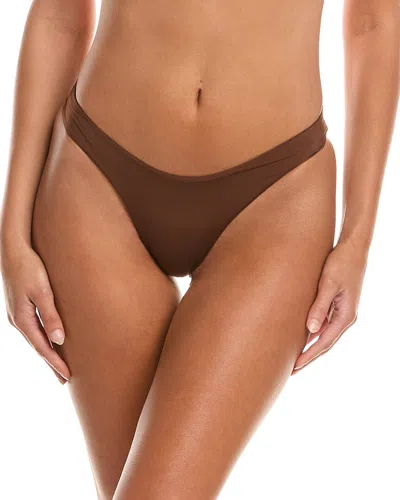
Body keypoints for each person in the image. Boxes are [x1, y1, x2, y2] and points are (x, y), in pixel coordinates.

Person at [0, 0, 399, 498]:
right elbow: (60, 15)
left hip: (277, 200)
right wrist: (12, 238)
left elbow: (374, 20)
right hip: (96, 183)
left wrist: (358, 238)